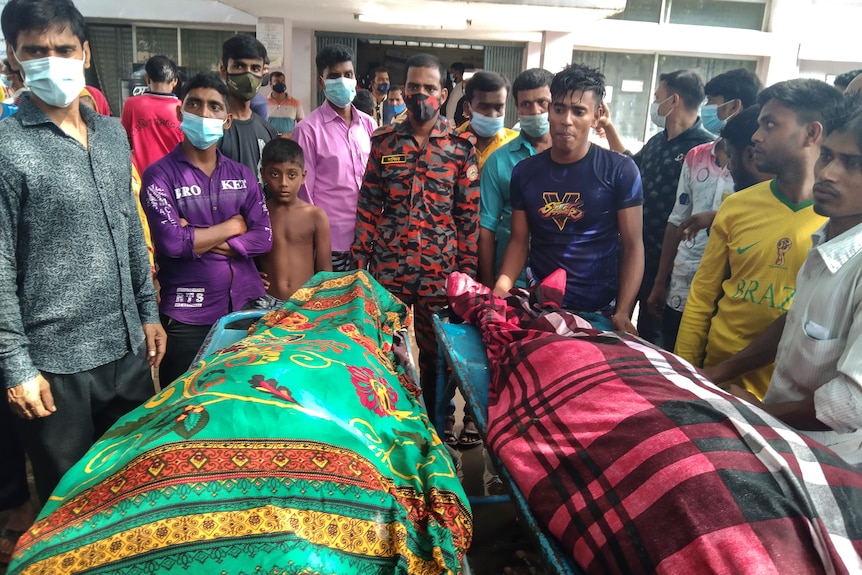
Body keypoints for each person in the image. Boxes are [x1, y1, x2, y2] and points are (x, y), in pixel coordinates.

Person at [0, 0, 165, 505]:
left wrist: (147, 312)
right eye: (37, 51)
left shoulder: (113, 136)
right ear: (14, 58)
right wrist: (17, 367)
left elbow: (130, 230)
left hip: (127, 353)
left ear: (86, 52)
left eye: (64, 49)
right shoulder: (7, 147)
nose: (52, 61)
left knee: (132, 488)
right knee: (70, 504)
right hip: (56, 367)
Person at [705, 93, 862, 467]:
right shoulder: (827, 242)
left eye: (852, 164)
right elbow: (796, 323)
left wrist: (760, 412)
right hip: (779, 436)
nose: (827, 174)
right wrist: (718, 372)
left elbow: (850, 404)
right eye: (827, 156)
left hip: (828, 461)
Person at [675, 79, 843, 399]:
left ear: (812, 133)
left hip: (792, 395)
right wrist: (686, 369)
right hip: (716, 378)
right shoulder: (737, 207)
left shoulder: (841, 223)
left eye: (770, 124)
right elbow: (701, 297)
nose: (756, 136)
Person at [352, 52, 479, 425]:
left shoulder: (460, 148)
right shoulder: (385, 142)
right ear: (402, 90)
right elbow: (368, 205)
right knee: (380, 351)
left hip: (439, 273)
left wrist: (466, 277)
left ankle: (437, 433)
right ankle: (388, 431)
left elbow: (467, 219)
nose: (419, 94)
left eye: (428, 87)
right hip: (388, 270)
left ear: (443, 92)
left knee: (438, 356)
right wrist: (359, 265)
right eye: (413, 87)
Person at [494, 63, 644, 335]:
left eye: (579, 111)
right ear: (550, 110)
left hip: (600, 311)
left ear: (597, 116)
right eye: (559, 108)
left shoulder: (620, 170)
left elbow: (633, 245)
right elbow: (518, 242)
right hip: (541, 309)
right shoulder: (525, 173)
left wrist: (623, 310)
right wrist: (499, 291)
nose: (566, 120)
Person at [141, 73, 272, 386]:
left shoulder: (242, 175)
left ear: (226, 121)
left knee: (239, 405)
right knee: (187, 410)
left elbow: (264, 237)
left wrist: (197, 235)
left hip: (245, 311)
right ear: (180, 112)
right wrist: (232, 226)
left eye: (214, 107)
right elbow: (171, 244)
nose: (203, 113)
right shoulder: (159, 176)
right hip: (188, 317)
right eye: (195, 104)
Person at [646, 68, 762, 350]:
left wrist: (715, 218)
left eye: (711, 101)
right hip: (682, 283)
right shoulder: (697, 156)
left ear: (734, 106)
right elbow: (678, 218)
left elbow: (762, 221)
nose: (705, 107)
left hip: (728, 295)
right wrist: (661, 280)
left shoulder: (759, 166)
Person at [603, 70, 714, 347]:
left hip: (674, 265)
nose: (654, 103)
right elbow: (629, 165)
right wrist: (607, 126)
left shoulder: (704, 151)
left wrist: (663, 279)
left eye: (657, 97)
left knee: (653, 337)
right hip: (634, 253)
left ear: (673, 100)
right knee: (617, 324)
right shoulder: (656, 141)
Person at [292, 43, 376, 272]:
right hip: (331, 244)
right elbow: (303, 195)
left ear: (355, 78)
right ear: (322, 82)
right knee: (333, 305)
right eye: (334, 76)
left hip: (369, 241)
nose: (343, 81)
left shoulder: (369, 125)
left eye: (348, 75)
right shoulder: (308, 130)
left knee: (364, 305)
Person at [479, 67, 553, 290]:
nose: (535, 111)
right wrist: (489, 284)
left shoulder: (573, 160)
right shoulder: (498, 161)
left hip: (561, 282)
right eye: (526, 104)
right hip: (511, 281)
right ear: (517, 108)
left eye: (543, 102)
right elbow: (486, 228)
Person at [257, 138, 332, 306]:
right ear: (263, 175)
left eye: (292, 175)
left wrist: (320, 306)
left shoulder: (315, 216)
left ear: (303, 176)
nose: (284, 183)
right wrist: (251, 275)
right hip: (265, 301)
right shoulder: (258, 214)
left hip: (305, 302)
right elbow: (247, 256)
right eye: (275, 174)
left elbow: (325, 271)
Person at [218, 34, 277, 181]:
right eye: (239, 66)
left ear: (263, 74)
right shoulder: (213, 130)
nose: (248, 75)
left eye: (255, 68)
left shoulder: (267, 130)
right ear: (224, 70)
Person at [120, 54, 184, 173]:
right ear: (175, 81)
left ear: (147, 78)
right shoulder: (183, 108)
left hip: (140, 179)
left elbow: (124, 142)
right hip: (175, 178)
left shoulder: (131, 104)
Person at [455, 70, 518, 171]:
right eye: (484, 107)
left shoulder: (517, 144)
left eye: (498, 107)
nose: (492, 114)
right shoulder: (449, 143)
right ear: (467, 108)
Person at [266, 70, 304, 137]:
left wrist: (290, 135)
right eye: (277, 81)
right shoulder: (264, 103)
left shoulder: (296, 103)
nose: (280, 83)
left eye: (283, 81)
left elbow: (302, 126)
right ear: (270, 84)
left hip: (288, 142)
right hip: (268, 141)